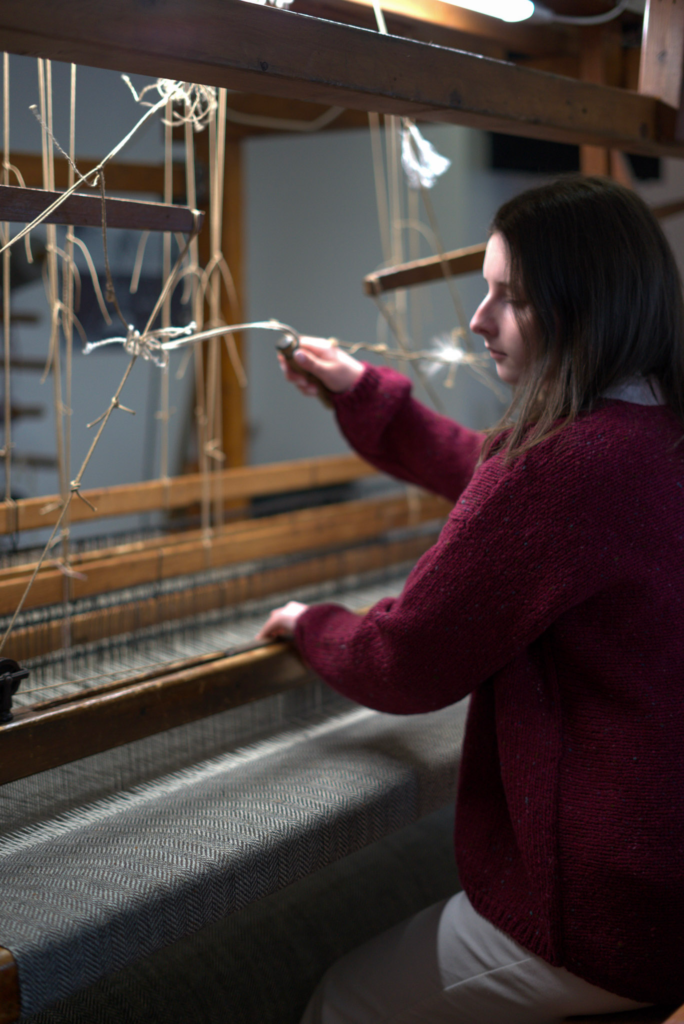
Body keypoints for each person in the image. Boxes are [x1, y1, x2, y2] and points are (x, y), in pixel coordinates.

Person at [257, 176, 684, 1024]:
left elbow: (404, 661)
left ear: (584, 307)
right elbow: (491, 477)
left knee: (344, 1005)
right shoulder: (652, 433)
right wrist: (365, 393)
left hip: (608, 918)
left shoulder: (559, 471)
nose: (479, 320)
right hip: (664, 877)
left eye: (510, 298)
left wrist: (312, 625)